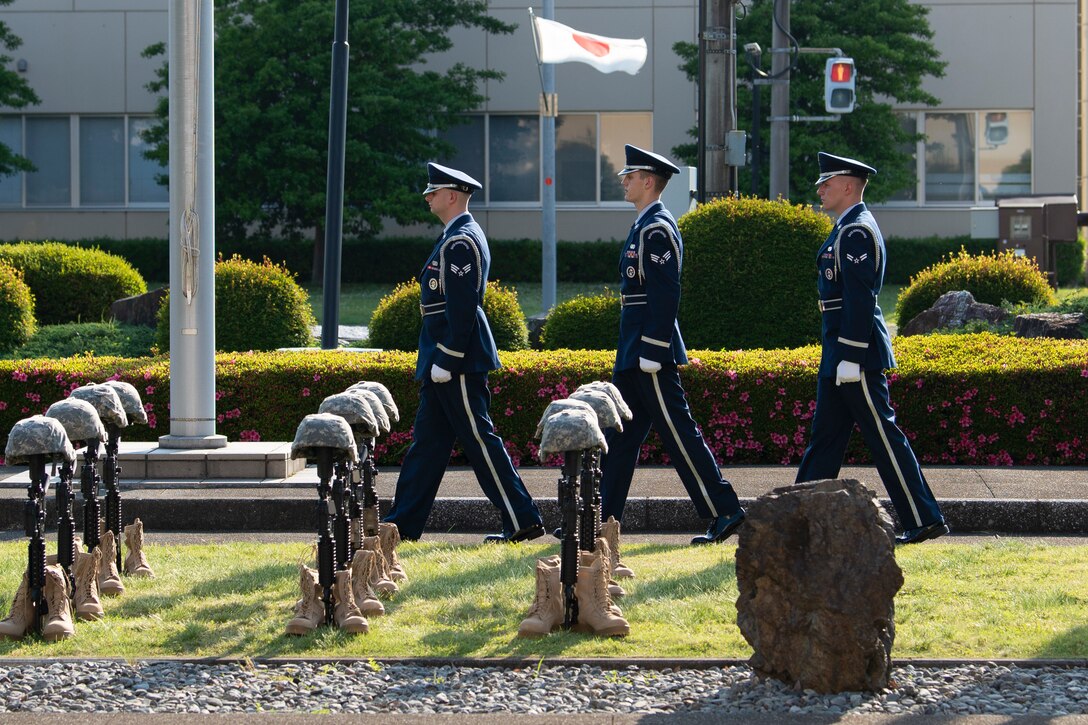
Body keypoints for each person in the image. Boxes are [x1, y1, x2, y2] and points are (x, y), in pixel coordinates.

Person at [383, 162, 545, 543]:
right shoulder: (455, 237)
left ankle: (522, 518)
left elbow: (463, 305)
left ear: (452, 195)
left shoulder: (460, 241)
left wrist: (448, 355)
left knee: (479, 439)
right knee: (428, 445)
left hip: (454, 359)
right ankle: (400, 526)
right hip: (444, 358)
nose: (428, 197)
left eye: (433, 192)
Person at [795, 151, 949, 545]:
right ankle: (797, 520)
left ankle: (923, 517)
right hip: (840, 353)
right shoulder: (847, 228)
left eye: (827, 183)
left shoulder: (856, 231)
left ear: (848, 186)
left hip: (855, 355)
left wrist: (849, 354)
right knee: (825, 440)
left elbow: (860, 299)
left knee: (883, 436)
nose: (820, 190)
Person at [597, 145, 746, 545]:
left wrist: (652, 347)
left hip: (650, 352)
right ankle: (599, 522)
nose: (625, 181)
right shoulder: (644, 224)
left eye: (631, 176)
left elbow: (666, 294)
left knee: (680, 433)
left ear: (649, 181)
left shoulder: (658, 227)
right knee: (619, 437)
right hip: (635, 349)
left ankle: (725, 511)